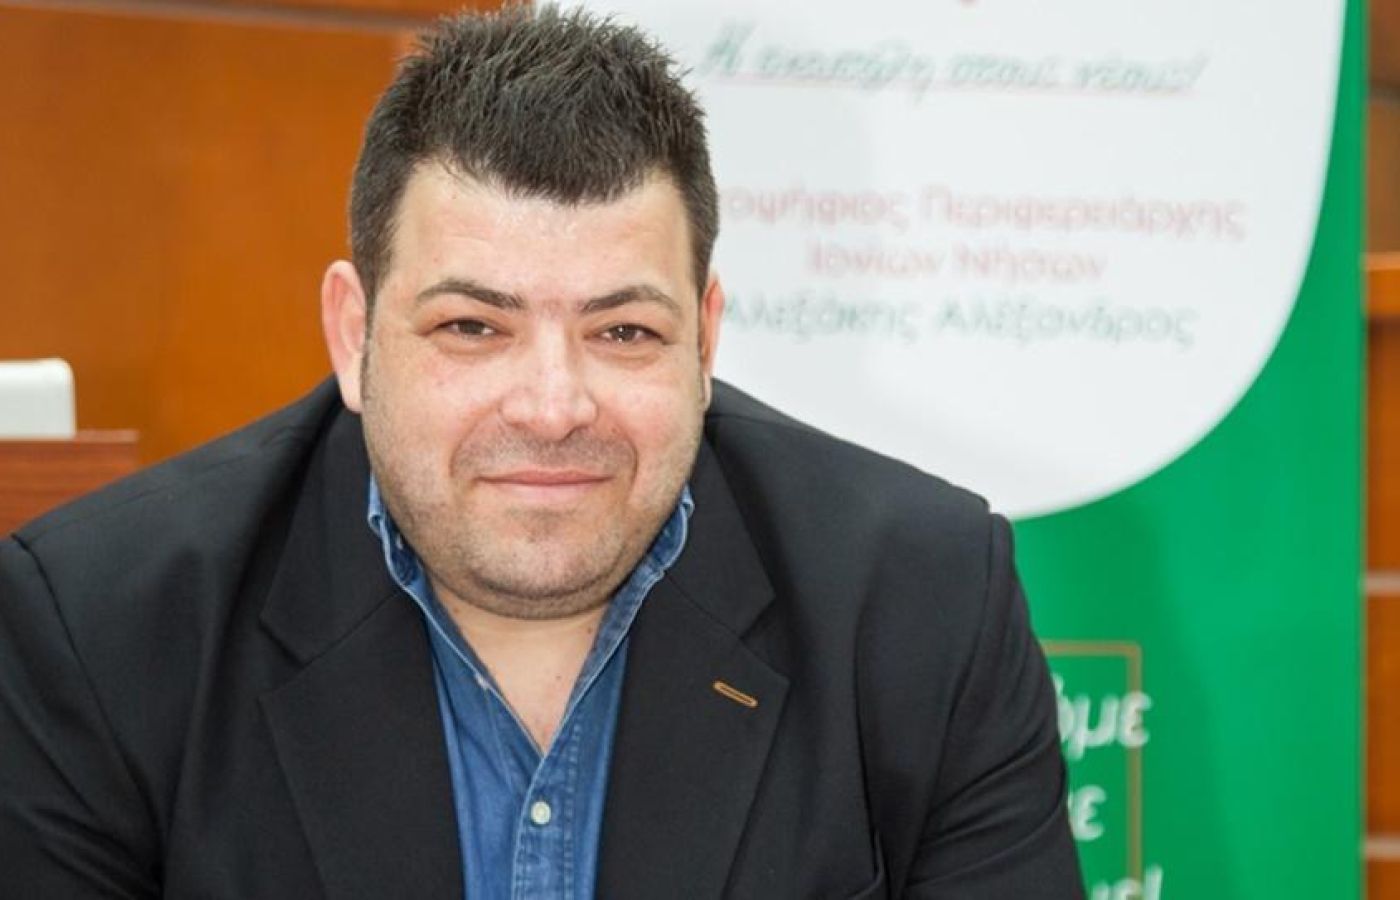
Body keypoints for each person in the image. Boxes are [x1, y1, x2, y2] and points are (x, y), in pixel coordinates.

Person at [0, 7, 1082, 898]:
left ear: (704, 342)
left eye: (624, 332)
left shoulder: (921, 601)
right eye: (473, 326)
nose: (555, 406)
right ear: (352, 332)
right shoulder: (98, 627)